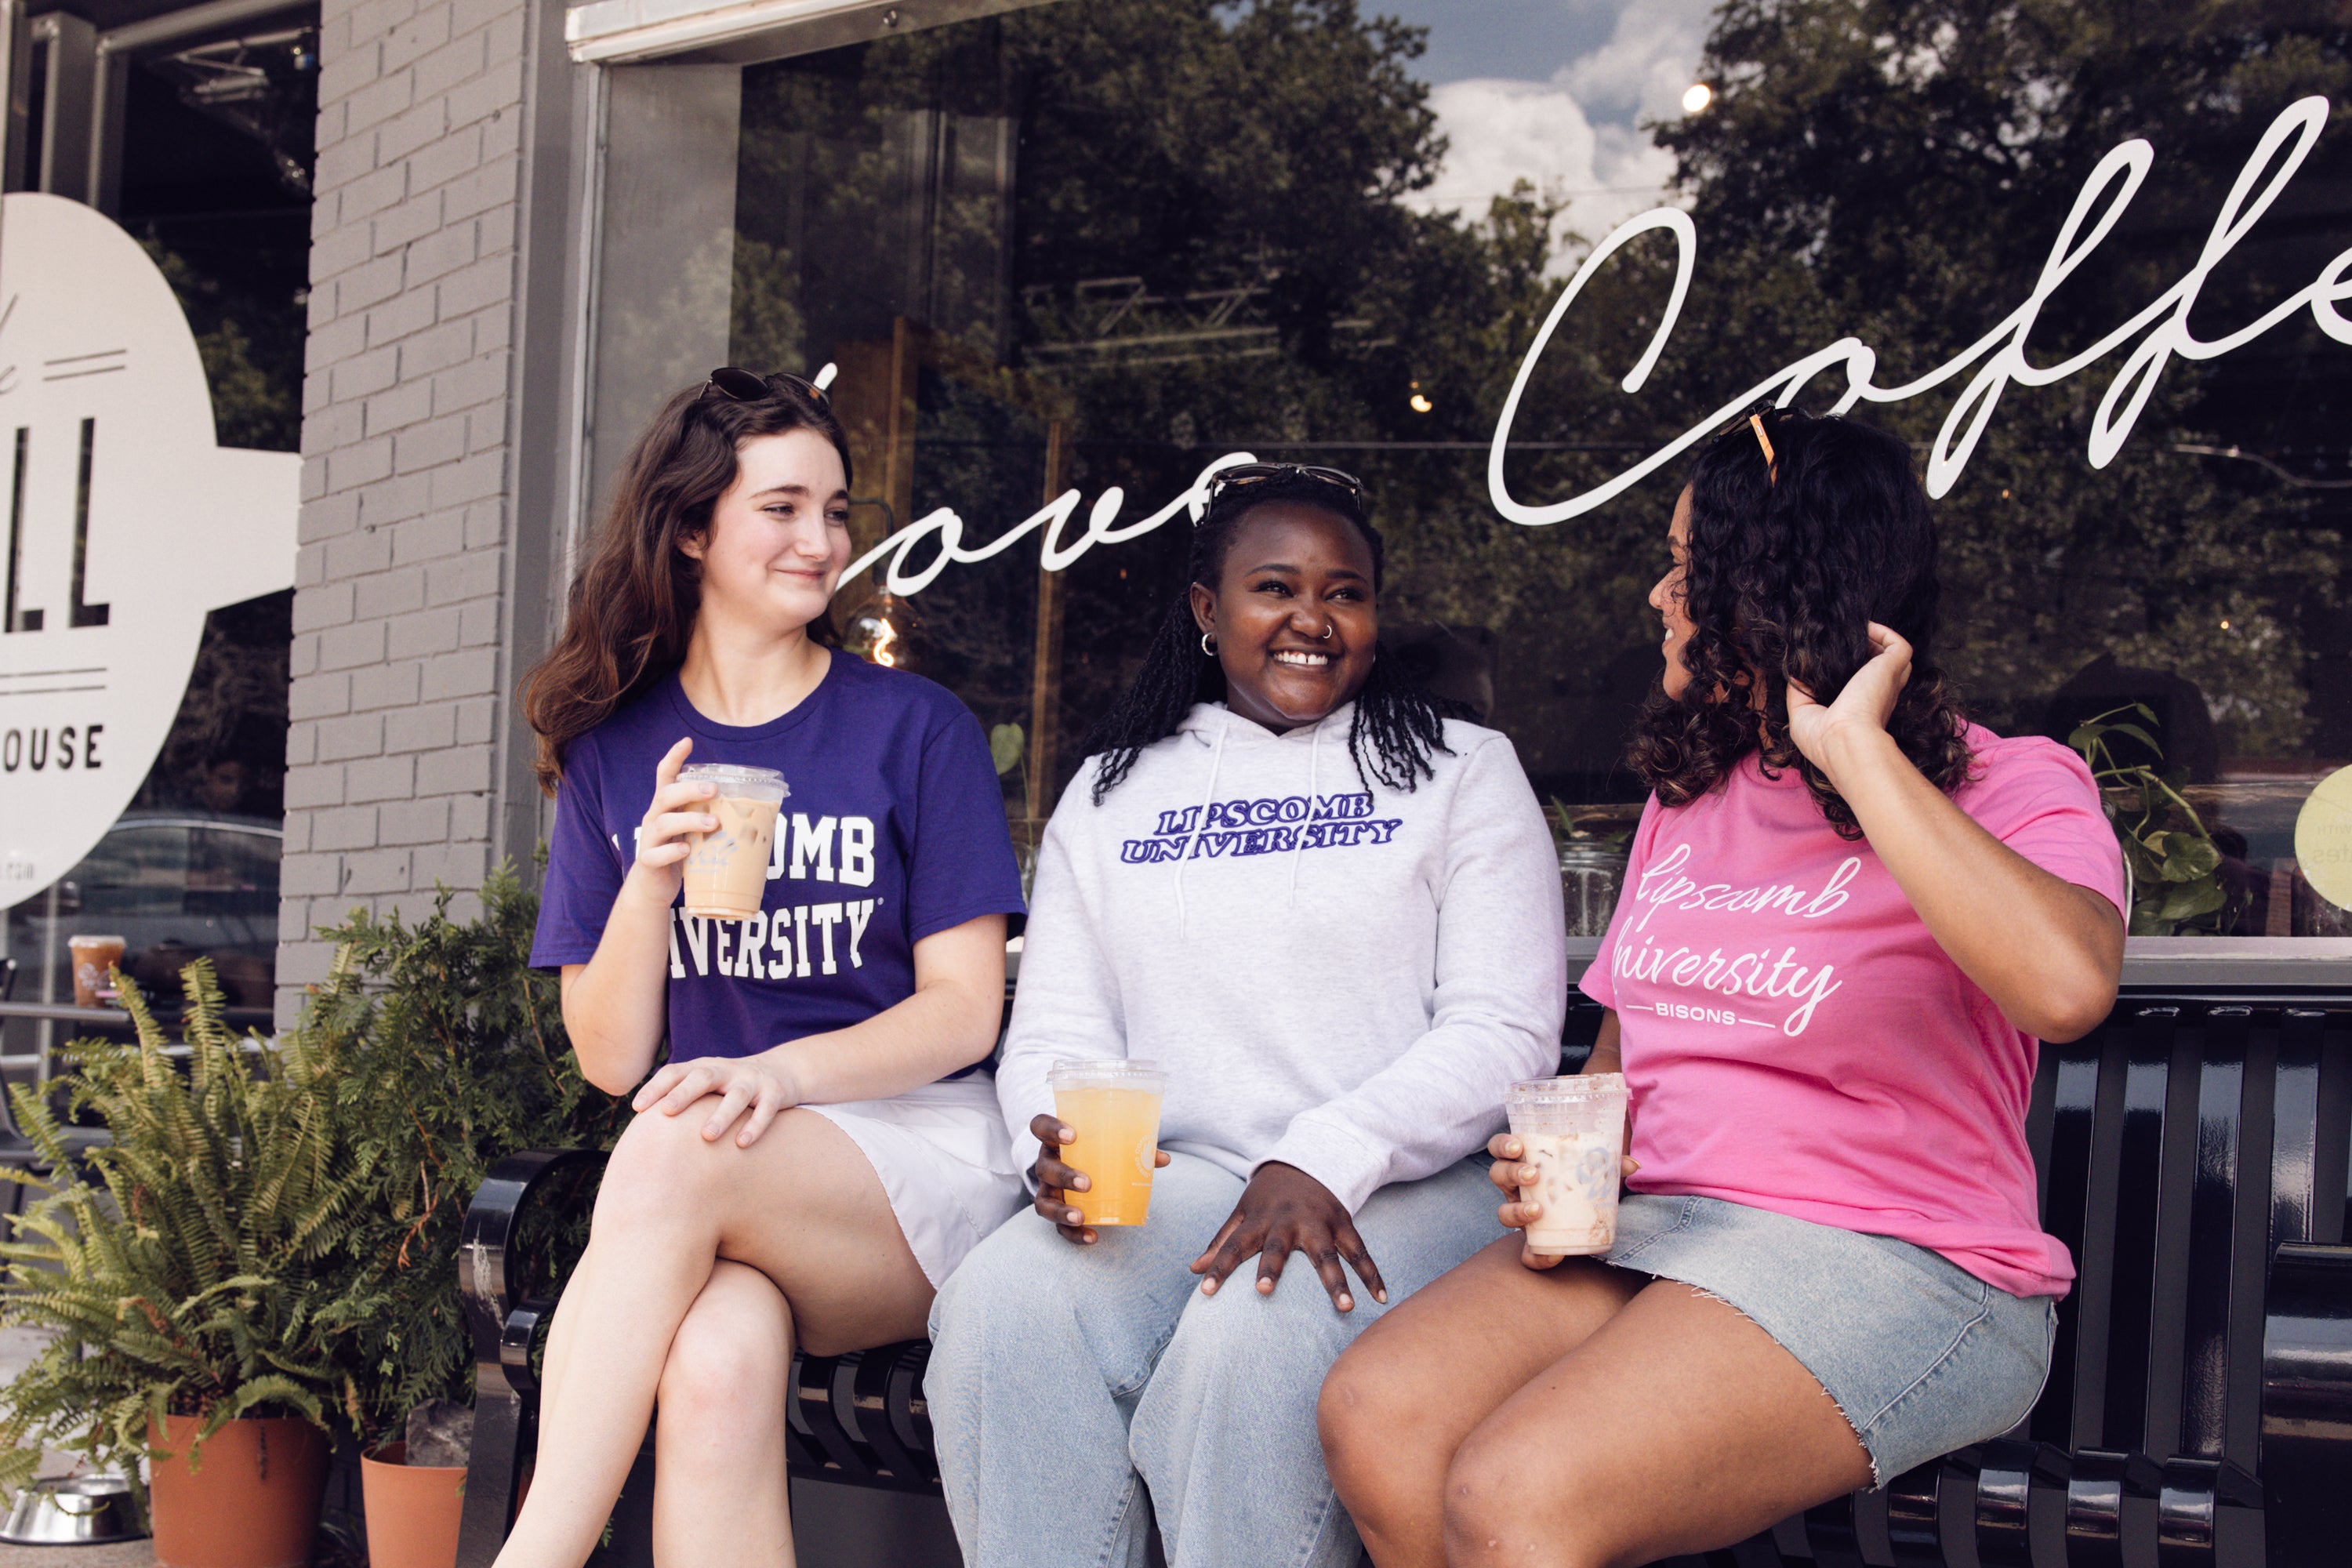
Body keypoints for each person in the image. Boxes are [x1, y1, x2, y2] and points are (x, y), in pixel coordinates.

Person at [1318, 411, 2128, 1568]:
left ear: (1768, 592)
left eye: (1686, 569)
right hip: (1658, 1229)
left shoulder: (2015, 784)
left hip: (1894, 1256)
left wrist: (1856, 751)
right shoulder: (1694, 795)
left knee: (1514, 1495)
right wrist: (1571, 1156)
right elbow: (1619, 1053)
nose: (1658, 595)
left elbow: (2067, 986)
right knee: (1376, 1415)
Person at [923, 464, 1570, 1568]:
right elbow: (1057, 1033)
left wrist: (1323, 1159)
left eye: (1346, 593)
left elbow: (1503, 1032)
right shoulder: (1115, 789)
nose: (1312, 621)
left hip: (1407, 1186)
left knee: (1254, 1335)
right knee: (1006, 1307)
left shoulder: (1462, 773)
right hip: (1185, 1178)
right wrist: (1063, 1142)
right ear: (1207, 612)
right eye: (1275, 587)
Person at [500, 369, 1028, 1568]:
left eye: (835, 511)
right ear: (692, 528)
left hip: (909, 1160)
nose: (823, 540)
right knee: (716, 1363)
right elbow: (614, 1057)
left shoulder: (913, 728)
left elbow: (963, 1013)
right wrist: (647, 879)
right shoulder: (615, 750)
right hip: (714, 1174)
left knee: (676, 1141)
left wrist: (782, 1074)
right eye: (783, 508)